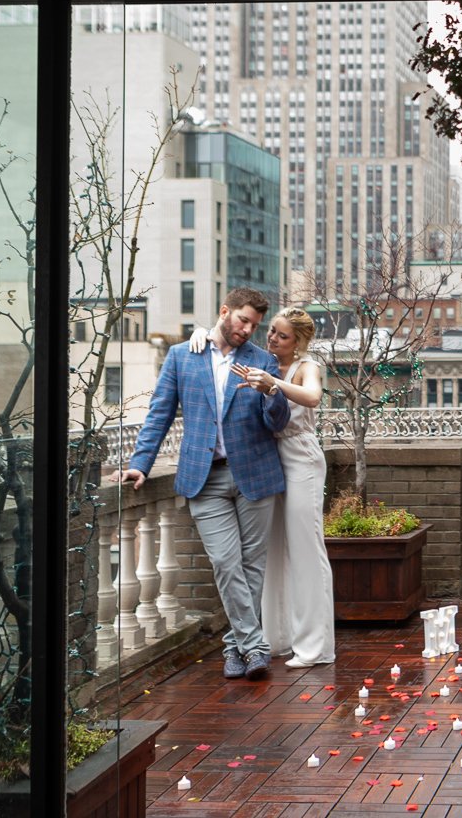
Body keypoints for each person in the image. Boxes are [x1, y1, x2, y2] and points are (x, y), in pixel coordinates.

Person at [117, 287, 290, 680]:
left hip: (255, 476)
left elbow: (276, 423)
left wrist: (271, 391)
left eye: (255, 325)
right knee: (226, 563)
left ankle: (236, 649)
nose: (248, 329)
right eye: (243, 320)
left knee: (252, 568)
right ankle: (256, 646)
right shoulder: (183, 357)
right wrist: (139, 464)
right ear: (225, 311)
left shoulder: (263, 362)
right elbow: (159, 414)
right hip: (204, 478)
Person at [192, 307, 335, 667]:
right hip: (264, 460)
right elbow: (222, 342)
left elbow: (313, 397)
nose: (271, 338)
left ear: (298, 341)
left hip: (300, 457)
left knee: (306, 548)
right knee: (268, 553)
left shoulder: (307, 367)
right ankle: (273, 637)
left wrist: (272, 384)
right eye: (271, 331)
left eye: (281, 335)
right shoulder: (259, 360)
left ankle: (315, 647)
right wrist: (200, 333)